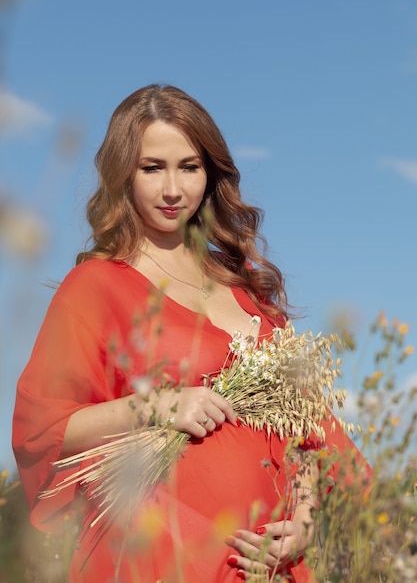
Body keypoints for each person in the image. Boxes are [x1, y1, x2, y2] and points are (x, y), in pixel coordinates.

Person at [12, 85, 367, 583]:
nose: (173, 188)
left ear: (211, 173)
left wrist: (304, 519)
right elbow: (42, 431)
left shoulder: (248, 293)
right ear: (123, 174)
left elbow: (307, 429)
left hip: (265, 566)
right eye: (152, 168)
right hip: (156, 558)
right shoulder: (94, 287)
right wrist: (157, 405)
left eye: (190, 166)